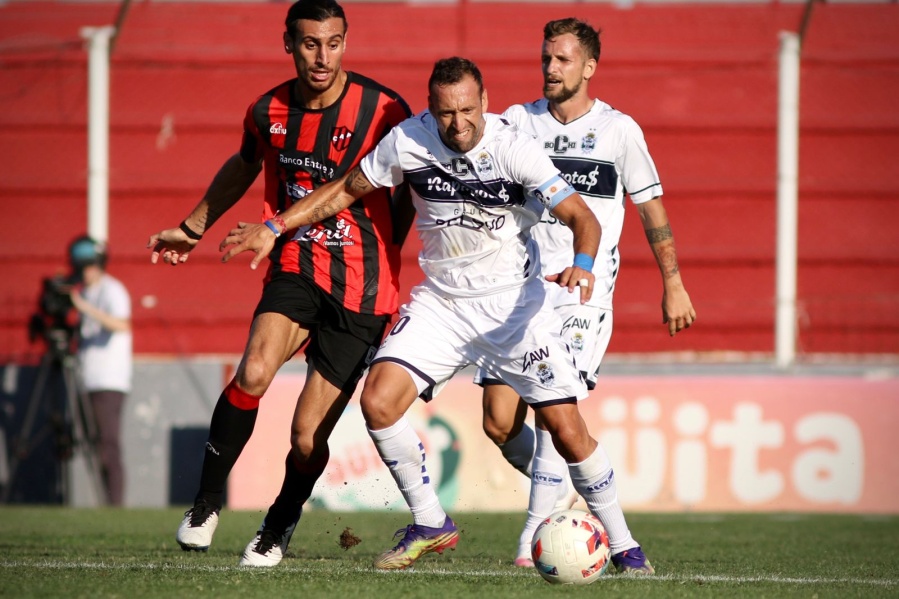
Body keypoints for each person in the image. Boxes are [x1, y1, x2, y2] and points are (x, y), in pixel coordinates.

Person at [219, 56, 653, 574]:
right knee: (378, 402)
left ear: (485, 104)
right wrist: (276, 225)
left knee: (566, 430)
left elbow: (582, 217)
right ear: (431, 108)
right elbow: (344, 190)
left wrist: (583, 265)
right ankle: (430, 522)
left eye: (468, 110)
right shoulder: (408, 141)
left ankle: (626, 546)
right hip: (442, 304)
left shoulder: (516, 149)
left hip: (513, 307)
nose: (458, 123)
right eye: (446, 113)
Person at [145, 0, 412, 566]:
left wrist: (394, 247)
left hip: (365, 289)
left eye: (334, 42)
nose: (323, 56)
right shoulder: (267, 110)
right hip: (295, 263)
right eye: (310, 43)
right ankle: (206, 501)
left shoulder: (384, 109)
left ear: (346, 41)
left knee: (306, 437)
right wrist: (195, 226)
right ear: (287, 43)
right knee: (256, 370)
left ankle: (279, 523)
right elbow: (244, 163)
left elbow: (411, 187)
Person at [479, 18, 696, 569]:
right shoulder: (516, 123)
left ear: (589, 67)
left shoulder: (619, 130)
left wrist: (672, 282)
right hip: (520, 291)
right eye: (546, 58)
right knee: (498, 422)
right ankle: (573, 492)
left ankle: (535, 538)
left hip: (584, 294)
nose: (551, 68)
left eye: (564, 60)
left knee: (555, 409)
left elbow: (651, 210)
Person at [67, 235, 132, 506]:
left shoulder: (111, 290)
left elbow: (122, 324)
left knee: (108, 443)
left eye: (89, 266)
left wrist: (84, 308)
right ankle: (104, 502)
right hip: (87, 378)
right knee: (94, 443)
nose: (85, 272)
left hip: (108, 379)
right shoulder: (85, 292)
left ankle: (114, 504)